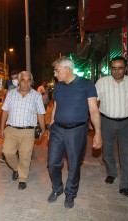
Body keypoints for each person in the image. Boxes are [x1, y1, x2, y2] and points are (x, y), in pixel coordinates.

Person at [47, 56, 102, 208]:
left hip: (76, 131)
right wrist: (50, 129)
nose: (55, 74)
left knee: (74, 164)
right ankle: (57, 189)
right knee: (52, 162)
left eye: (57, 71)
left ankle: (70, 193)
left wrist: (98, 132)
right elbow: (55, 108)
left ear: (67, 69)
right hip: (57, 129)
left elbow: (93, 110)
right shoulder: (58, 87)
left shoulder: (86, 84)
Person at [95, 56, 128, 198]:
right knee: (107, 151)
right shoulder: (102, 82)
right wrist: (94, 122)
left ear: (126, 68)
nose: (117, 71)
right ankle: (111, 173)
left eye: (120, 68)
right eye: (114, 68)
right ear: (111, 69)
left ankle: (125, 186)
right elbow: (94, 103)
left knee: (126, 154)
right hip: (106, 121)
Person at [0, 71, 46, 190]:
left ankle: (22, 178)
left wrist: (43, 129)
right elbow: (4, 111)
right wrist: (1, 128)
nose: (25, 83)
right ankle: (16, 168)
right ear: (19, 82)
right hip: (11, 130)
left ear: (31, 82)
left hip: (28, 131)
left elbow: (41, 114)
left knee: (25, 155)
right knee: (7, 152)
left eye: (28, 80)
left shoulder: (36, 96)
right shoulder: (11, 94)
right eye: (23, 80)